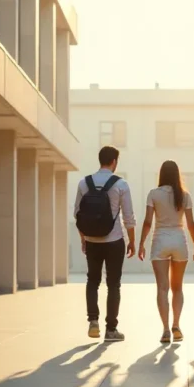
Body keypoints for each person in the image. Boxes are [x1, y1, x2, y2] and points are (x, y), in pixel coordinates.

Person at [74, 146, 136, 342]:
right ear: (114, 162)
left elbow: (78, 214)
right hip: (114, 240)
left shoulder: (84, 183)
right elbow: (128, 217)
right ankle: (111, 329)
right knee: (113, 284)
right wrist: (132, 241)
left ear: (99, 160)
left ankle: (93, 322)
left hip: (92, 240)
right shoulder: (121, 184)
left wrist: (84, 237)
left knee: (92, 280)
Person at [137, 160, 194, 344]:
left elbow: (148, 222)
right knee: (177, 287)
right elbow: (190, 223)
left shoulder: (153, 194)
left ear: (161, 174)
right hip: (179, 240)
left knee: (162, 288)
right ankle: (176, 325)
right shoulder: (184, 195)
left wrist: (141, 243)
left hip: (160, 240)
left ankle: (165, 330)